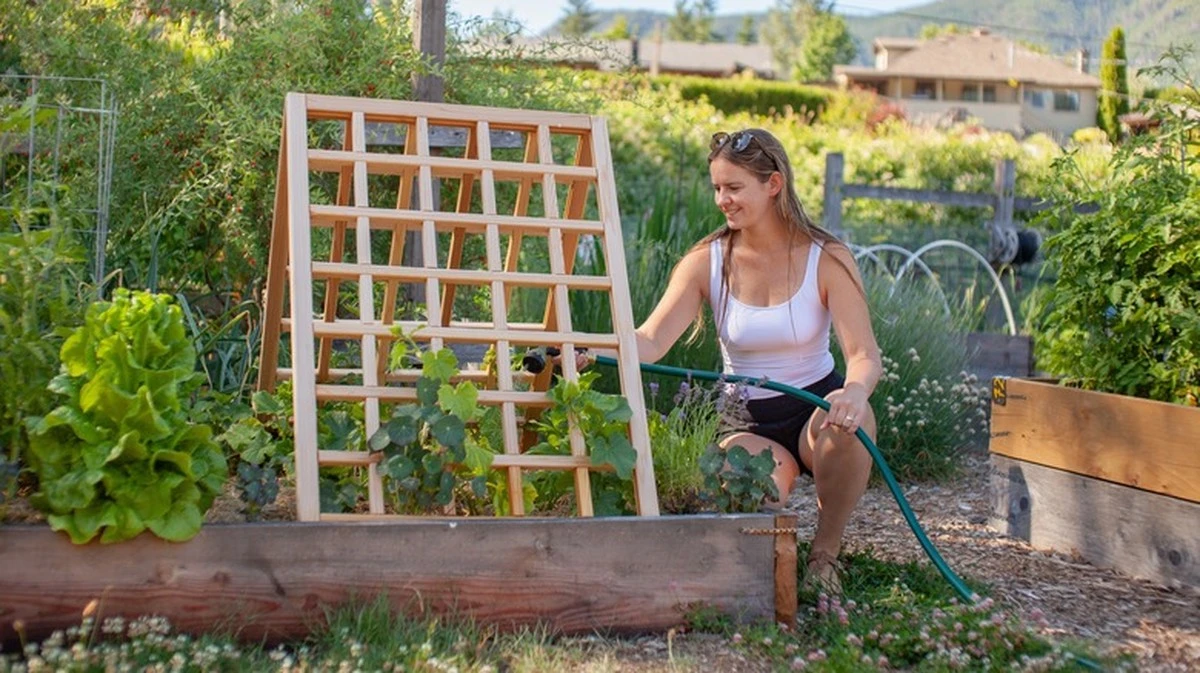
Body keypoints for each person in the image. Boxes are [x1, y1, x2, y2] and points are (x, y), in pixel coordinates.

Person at [618, 128, 882, 594]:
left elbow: (863, 355)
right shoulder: (707, 261)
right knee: (745, 492)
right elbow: (650, 340)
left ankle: (825, 555)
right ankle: (762, 562)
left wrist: (855, 392)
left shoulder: (827, 258)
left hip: (814, 406)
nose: (723, 199)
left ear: (773, 185)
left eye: (734, 187)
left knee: (849, 429)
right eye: (717, 187)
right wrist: (590, 347)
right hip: (744, 418)